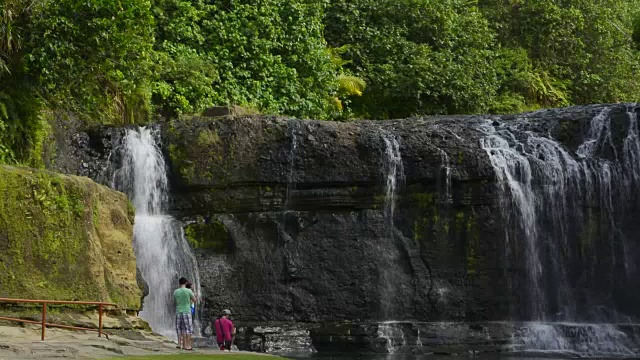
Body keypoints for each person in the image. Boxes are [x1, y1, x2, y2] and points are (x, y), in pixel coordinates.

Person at [174, 277, 196, 350]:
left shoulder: (176, 291)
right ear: (186, 283)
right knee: (187, 328)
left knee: (179, 328)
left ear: (179, 283)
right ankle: (187, 345)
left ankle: (179, 344)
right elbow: (194, 300)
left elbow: (175, 301)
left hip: (178, 311)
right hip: (186, 311)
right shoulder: (189, 291)